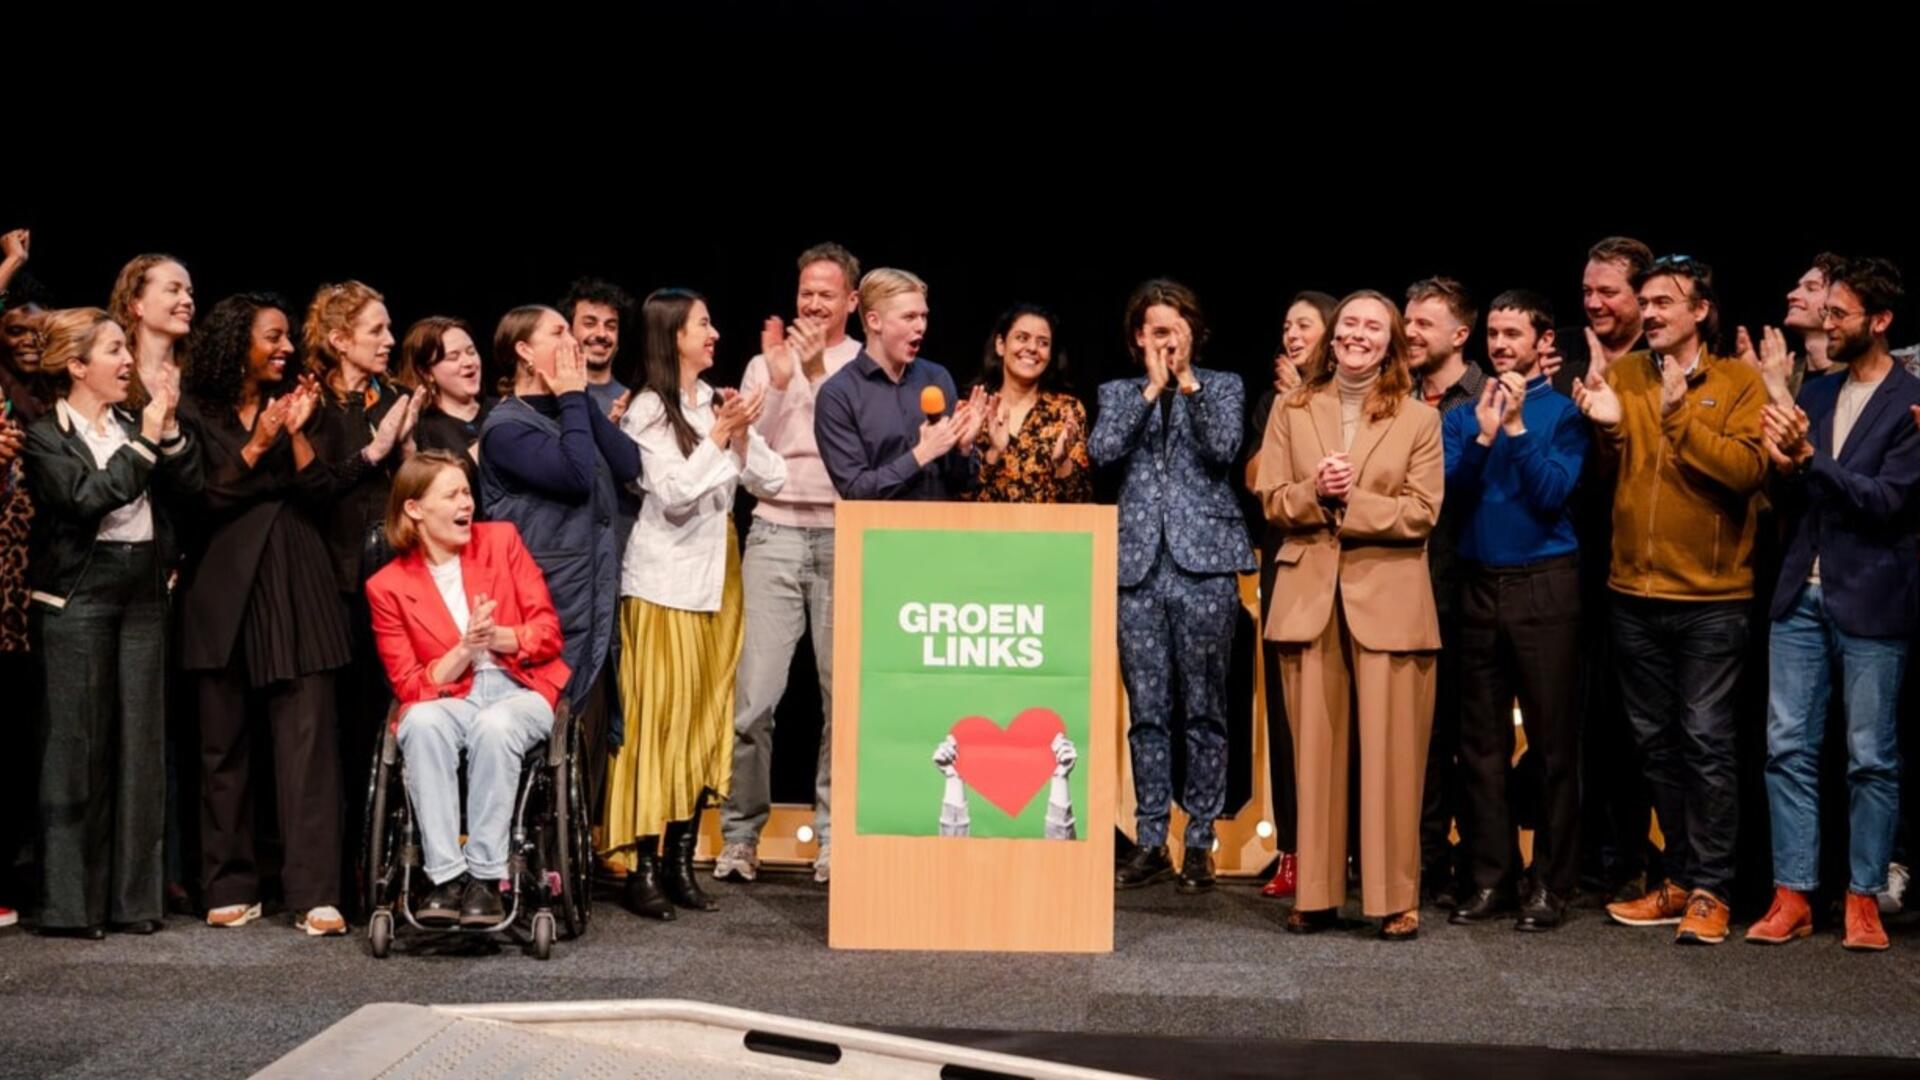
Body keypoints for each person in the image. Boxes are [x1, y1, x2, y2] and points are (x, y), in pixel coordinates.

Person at [1571, 255, 1767, 946]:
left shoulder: (1740, 382)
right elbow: (1613, 471)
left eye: (1664, 303)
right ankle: (1680, 877)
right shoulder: (1624, 375)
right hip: (1633, 592)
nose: (1650, 313)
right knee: (1656, 748)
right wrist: (1606, 425)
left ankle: (1714, 888)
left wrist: (1680, 415)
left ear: (1700, 311)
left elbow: (1745, 472)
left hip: (1712, 597)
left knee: (1708, 744)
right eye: (1646, 302)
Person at [1255, 289, 1442, 940]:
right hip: (1309, 596)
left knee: (1392, 756)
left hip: (1390, 600)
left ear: (1391, 343)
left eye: (1373, 327)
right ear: (1333, 338)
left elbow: (1422, 512)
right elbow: (1272, 497)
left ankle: (1393, 899)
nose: (1358, 335)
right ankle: (1317, 891)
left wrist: (1350, 501)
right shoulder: (1292, 407)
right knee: (1315, 752)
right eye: (1349, 325)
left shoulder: (1420, 420)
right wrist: (1314, 493)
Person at [1747, 258, 1920, 952]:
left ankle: (1863, 898)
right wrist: (1783, 465)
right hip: (1800, 594)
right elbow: (1793, 497)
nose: (1827, 323)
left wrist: (1810, 460)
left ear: (1879, 322)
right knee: (1787, 748)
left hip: (1874, 595)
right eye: (1827, 312)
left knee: (1869, 757)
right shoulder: (1815, 393)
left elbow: (1889, 501)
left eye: (1840, 315)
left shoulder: (1910, 403)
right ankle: (1791, 895)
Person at [178, 294, 357, 936]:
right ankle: (229, 881)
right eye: (272, 338)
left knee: (307, 739)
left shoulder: (307, 408)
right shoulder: (194, 412)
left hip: (295, 578)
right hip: (222, 583)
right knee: (222, 742)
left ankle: (313, 891)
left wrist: (299, 432)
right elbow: (199, 500)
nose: (285, 348)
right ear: (236, 345)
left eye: (287, 338)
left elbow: (323, 493)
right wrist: (257, 446)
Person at [22, 307, 202, 937]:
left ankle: (133, 904)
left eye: (127, 350)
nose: (128, 362)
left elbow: (192, 484)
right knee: (77, 749)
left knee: (141, 746)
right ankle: (72, 906)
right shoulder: (46, 434)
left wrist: (167, 430)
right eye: (114, 351)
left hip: (144, 594)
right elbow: (85, 497)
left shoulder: (135, 419)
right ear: (77, 366)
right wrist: (147, 441)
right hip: (79, 597)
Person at [606, 289, 786, 918]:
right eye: (703, 325)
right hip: (663, 585)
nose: (714, 334)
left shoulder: (714, 401)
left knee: (705, 721)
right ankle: (644, 866)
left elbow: (774, 479)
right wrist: (719, 435)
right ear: (672, 335)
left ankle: (684, 860)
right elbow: (674, 492)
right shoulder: (649, 410)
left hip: (718, 579)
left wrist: (738, 432)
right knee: (662, 726)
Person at [1092, 279, 1255, 896]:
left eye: (1178, 328)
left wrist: (1186, 385)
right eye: (1157, 330)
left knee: (1206, 709)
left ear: (1194, 333)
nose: (1168, 339)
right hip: (1137, 567)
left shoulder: (1223, 387)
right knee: (1148, 713)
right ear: (1139, 338)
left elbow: (1223, 450)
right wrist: (1150, 391)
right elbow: (1102, 451)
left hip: (1205, 565)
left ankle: (1201, 841)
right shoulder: (1117, 393)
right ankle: (1152, 837)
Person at [365, 452, 568, 928]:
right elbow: (410, 685)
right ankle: (445, 877)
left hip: (516, 687)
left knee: (494, 727)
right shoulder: (387, 586)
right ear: (415, 509)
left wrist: (498, 637)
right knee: (419, 723)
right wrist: (463, 647)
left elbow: (548, 631)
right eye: (451, 494)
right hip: (449, 694)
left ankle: (485, 875)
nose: (466, 504)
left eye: (466, 492)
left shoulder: (501, 543)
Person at [716, 243, 863, 887]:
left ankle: (835, 839)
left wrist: (818, 373)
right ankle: (741, 836)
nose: (812, 303)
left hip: (844, 535)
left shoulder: (863, 366)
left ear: (853, 303)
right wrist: (779, 380)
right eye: (806, 291)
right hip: (775, 531)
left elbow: (857, 446)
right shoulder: (763, 364)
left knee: (843, 698)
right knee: (755, 700)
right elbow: (753, 458)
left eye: (826, 293)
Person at [1442, 290, 1587, 930]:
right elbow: (1450, 490)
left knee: (1554, 745)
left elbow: (1553, 493)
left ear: (1541, 343)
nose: (1501, 345)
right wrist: (1482, 435)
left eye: (1513, 334)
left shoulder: (1563, 412)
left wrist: (1521, 429)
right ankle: (1490, 878)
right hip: (1477, 582)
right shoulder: (1464, 414)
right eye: (1495, 334)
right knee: (1481, 746)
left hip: (1545, 583)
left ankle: (1551, 884)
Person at [477, 304, 641, 842]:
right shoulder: (505, 427)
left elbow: (629, 464)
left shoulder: (570, 412)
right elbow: (573, 476)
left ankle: (570, 855)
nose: (572, 342)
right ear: (524, 351)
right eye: (558, 332)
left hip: (589, 594)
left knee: (586, 724)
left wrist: (579, 400)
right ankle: (523, 846)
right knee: (540, 726)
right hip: (541, 601)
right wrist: (575, 396)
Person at [1244, 290, 1336, 900]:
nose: (1292, 334)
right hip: (1289, 560)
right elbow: (1257, 480)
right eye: (1286, 325)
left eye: (1305, 324)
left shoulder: (1362, 400)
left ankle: (1350, 849)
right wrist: (1285, 406)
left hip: (1353, 564)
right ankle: (1295, 851)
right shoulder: (1274, 402)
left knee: (1345, 716)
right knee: (1289, 712)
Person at [814, 268, 986, 501]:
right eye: (909, 317)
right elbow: (855, 490)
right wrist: (922, 454)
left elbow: (964, 484)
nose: (921, 327)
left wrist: (964, 449)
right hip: (878, 534)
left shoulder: (937, 377)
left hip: (942, 531)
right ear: (874, 321)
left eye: (923, 316)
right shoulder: (838, 395)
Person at [970, 303, 1090, 504]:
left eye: (1043, 343)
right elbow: (960, 498)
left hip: (1049, 533)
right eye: (1022, 338)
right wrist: (994, 453)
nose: (1032, 348)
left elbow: (1081, 499)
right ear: (1001, 344)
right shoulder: (976, 409)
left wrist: (1062, 462)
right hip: (986, 533)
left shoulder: (1066, 410)